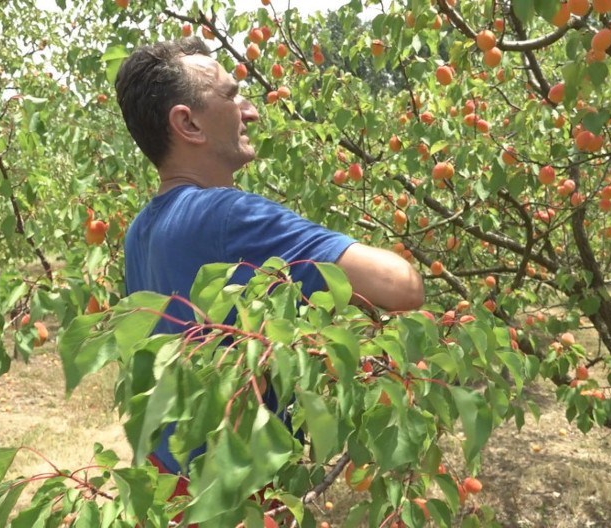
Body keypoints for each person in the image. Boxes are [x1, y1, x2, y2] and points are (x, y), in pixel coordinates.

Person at [114, 36, 424, 486]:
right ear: (188, 124)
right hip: (237, 492)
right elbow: (402, 286)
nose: (251, 110)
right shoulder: (230, 216)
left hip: (165, 477)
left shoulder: (139, 228)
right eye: (230, 95)